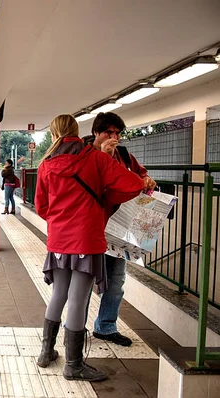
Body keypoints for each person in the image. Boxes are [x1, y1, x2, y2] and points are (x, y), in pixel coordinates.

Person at [35, 114, 144, 382]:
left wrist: (61, 220)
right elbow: (133, 185)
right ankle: (73, 365)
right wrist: (105, 200)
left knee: (59, 293)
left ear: (54, 135)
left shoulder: (46, 163)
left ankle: (46, 352)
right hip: (86, 239)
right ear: (79, 131)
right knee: (78, 298)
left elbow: (41, 207)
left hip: (59, 240)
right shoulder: (97, 159)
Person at [85, 112, 156, 347]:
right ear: (96, 132)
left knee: (116, 280)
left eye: (118, 133)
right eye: (109, 132)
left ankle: (106, 327)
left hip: (122, 228)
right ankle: (76, 328)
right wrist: (103, 157)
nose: (114, 137)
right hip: (93, 228)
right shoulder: (85, 155)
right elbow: (89, 184)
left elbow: (140, 173)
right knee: (85, 281)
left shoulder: (124, 155)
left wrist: (146, 180)